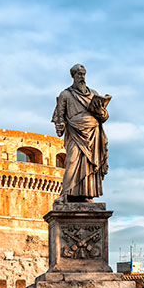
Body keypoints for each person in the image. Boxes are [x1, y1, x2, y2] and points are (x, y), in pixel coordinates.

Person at [52, 63, 110, 202]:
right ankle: (66, 194)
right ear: (73, 76)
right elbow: (59, 115)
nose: (82, 77)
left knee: (90, 165)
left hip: (93, 133)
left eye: (83, 74)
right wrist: (60, 125)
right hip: (75, 131)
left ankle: (87, 195)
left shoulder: (93, 93)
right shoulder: (65, 94)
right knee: (72, 161)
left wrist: (101, 112)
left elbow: (104, 117)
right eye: (79, 74)